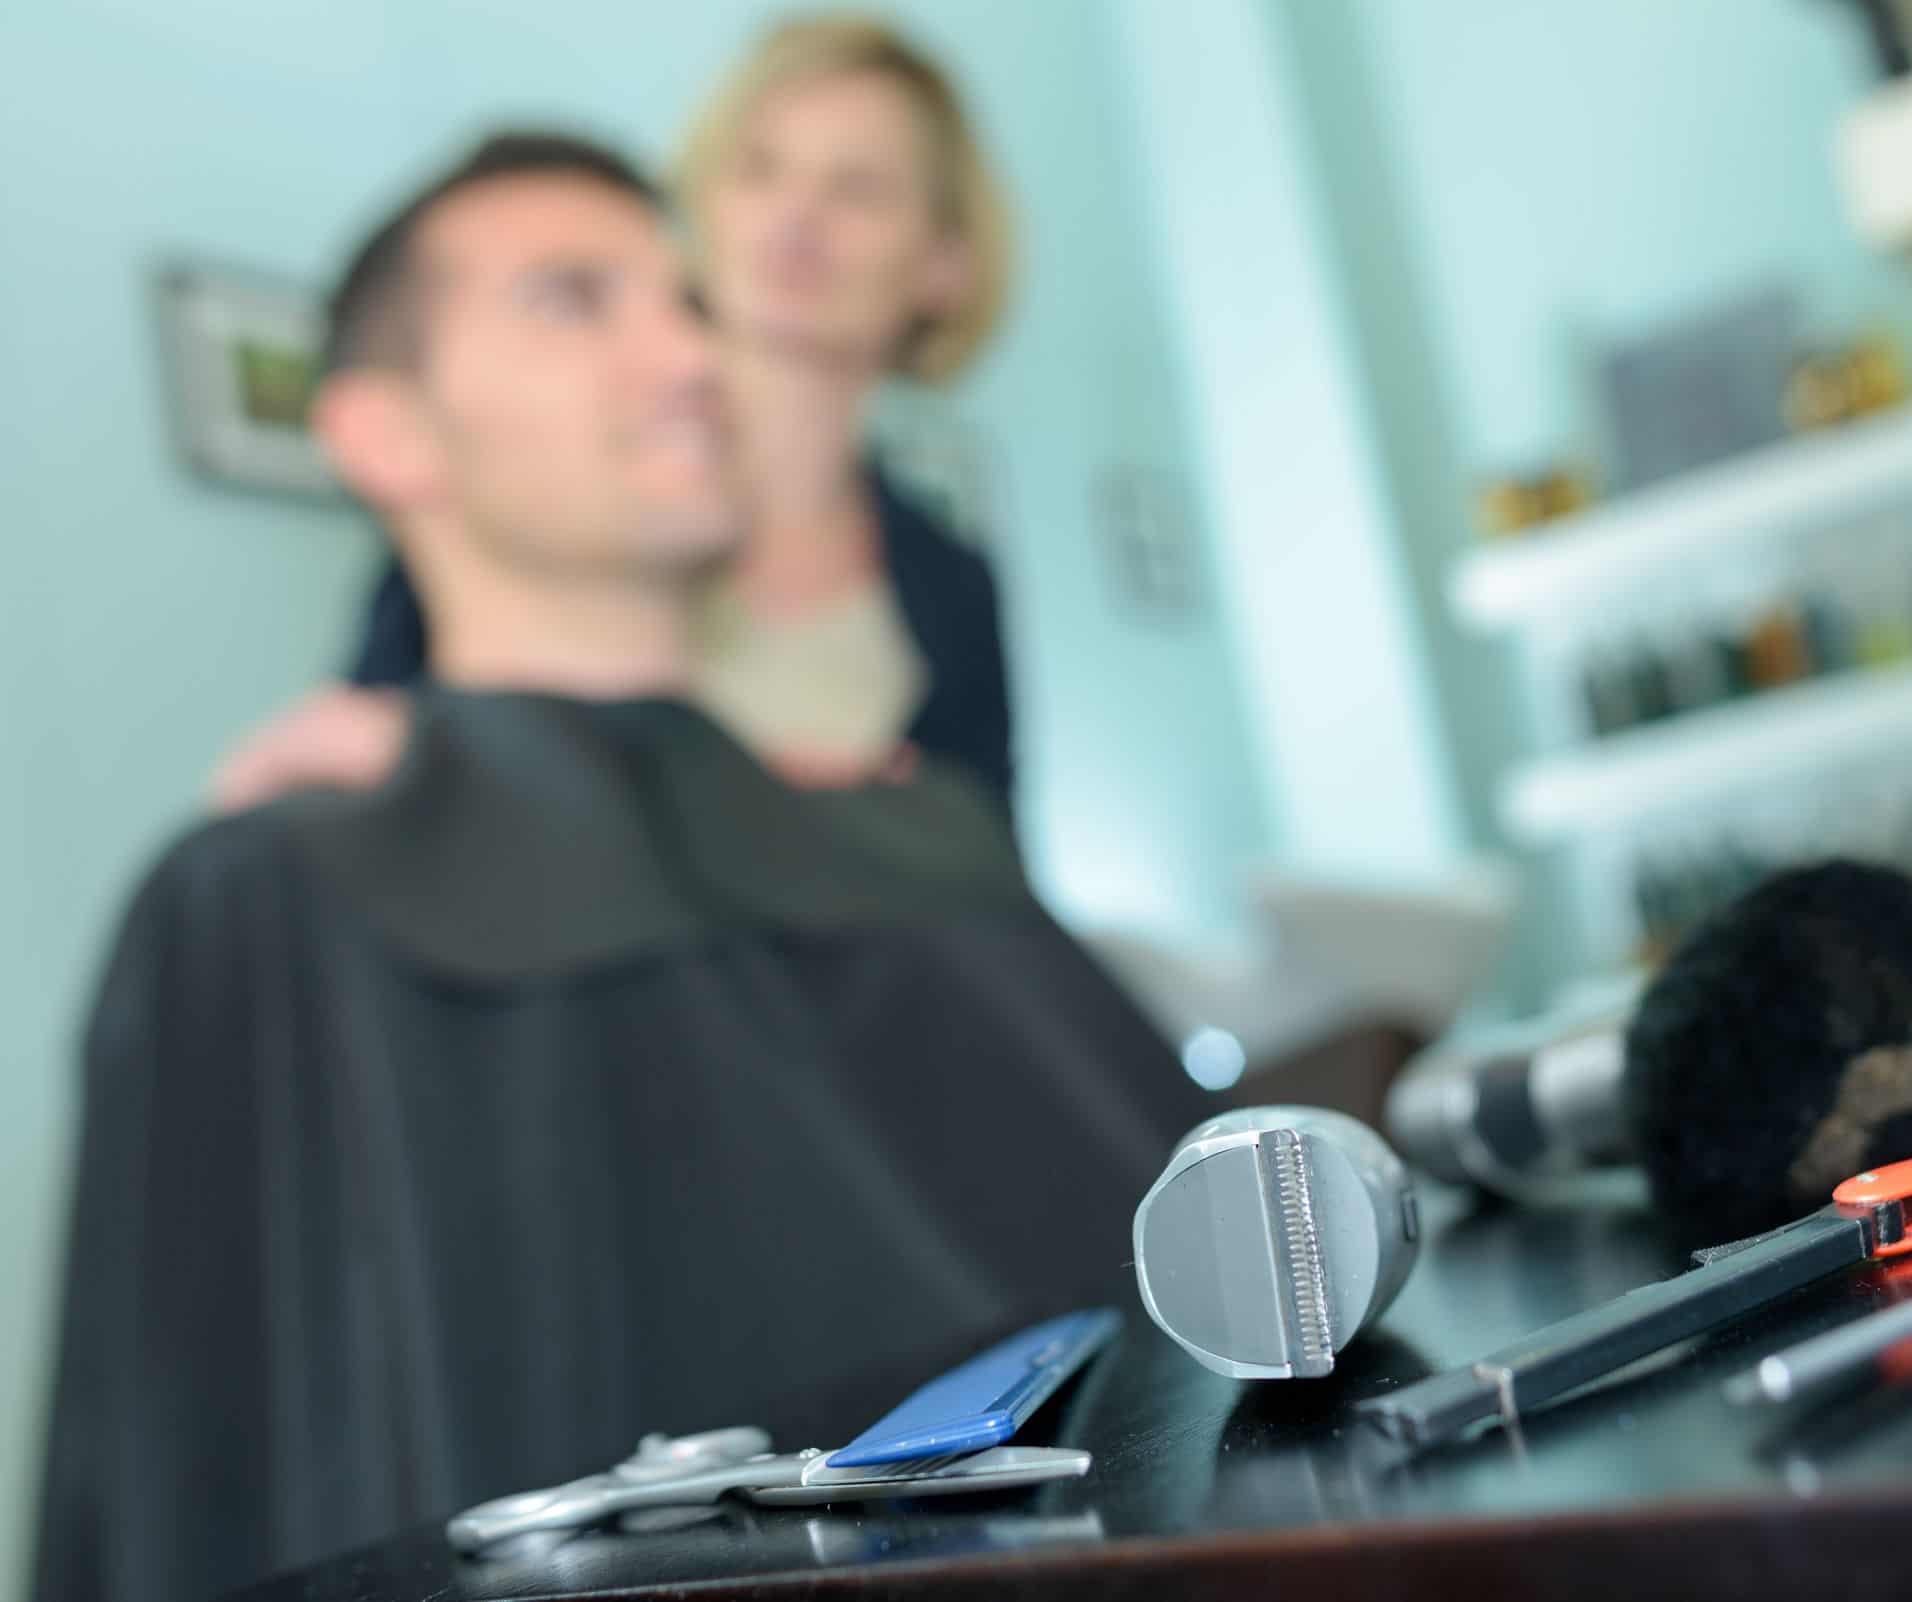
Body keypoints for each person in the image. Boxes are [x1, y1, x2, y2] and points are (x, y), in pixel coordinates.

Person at [36, 132, 1203, 1602]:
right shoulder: (271, 901)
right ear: (387, 436)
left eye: (691, 305)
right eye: (573, 300)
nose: (693, 357)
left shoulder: (920, 836)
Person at [214, 14, 1016, 812]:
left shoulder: (949, 585)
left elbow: (983, 843)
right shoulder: (553, 493)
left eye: (859, 189)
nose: (797, 217)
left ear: (943, 260)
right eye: (759, 169)